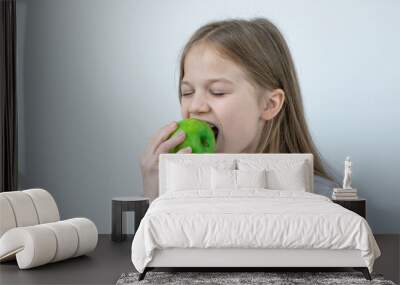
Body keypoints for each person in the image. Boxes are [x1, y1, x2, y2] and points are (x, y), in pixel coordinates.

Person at [140, 17, 339, 203]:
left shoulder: (318, 197)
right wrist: (155, 195)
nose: (195, 106)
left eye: (217, 92)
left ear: (269, 104)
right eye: (187, 92)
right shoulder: (182, 189)